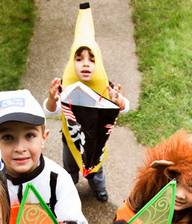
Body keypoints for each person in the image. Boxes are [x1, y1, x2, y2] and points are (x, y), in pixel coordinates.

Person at [43, 2, 129, 202]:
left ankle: (98, 187)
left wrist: (119, 100)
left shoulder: (106, 86)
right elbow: (49, 113)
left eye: (91, 59)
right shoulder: (63, 86)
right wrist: (51, 99)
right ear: (71, 62)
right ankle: (68, 189)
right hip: (70, 140)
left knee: (95, 171)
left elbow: (124, 110)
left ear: (98, 62)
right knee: (70, 168)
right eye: (79, 59)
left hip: (95, 143)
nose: (86, 64)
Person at [0, 89, 87, 224]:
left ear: (43, 138)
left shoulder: (57, 179)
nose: (20, 148)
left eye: (30, 135)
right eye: (7, 137)